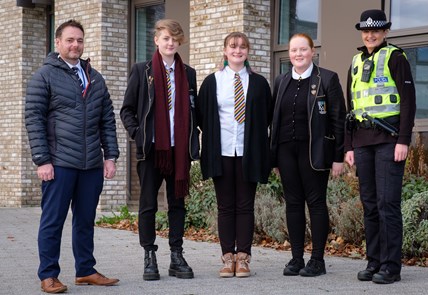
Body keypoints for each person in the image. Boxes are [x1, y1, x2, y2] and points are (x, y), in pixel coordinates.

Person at [25, 19, 120, 293]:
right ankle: (48, 275)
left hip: (90, 164)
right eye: (69, 40)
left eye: (79, 40)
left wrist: (110, 155)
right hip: (59, 163)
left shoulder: (95, 77)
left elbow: (107, 120)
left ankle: (86, 270)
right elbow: (34, 119)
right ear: (58, 43)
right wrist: (42, 160)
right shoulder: (44, 76)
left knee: (85, 220)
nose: (75, 44)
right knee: (53, 220)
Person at [120, 19, 199, 281]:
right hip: (152, 150)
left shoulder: (188, 73)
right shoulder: (141, 70)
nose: (170, 43)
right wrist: (139, 135)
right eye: (166, 38)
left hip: (179, 151)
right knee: (147, 204)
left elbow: (192, 112)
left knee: (177, 204)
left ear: (180, 43)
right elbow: (127, 110)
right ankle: (149, 255)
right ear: (156, 40)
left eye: (175, 39)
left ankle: (176, 255)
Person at [345, 9, 416, 284]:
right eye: (366, 30)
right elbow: (351, 108)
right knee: (370, 205)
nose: (370, 34)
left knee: (388, 204)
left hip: (389, 140)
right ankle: (374, 262)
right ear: (362, 32)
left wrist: (404, 140)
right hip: (362, 142)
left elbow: (408, 102)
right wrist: (348, 146)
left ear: (384, 32)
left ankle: (391, 267)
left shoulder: (396, 57)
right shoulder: (354, 61)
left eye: (376, 30)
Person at [196, 32, 272, 278]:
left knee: (245, 205)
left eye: (242, 47)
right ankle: (228, 257)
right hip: (222, 151)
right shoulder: (212, 82)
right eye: (233, 46)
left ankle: (244, 258)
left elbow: (267, 117)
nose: (238, 50)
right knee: (225, 206)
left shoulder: (259, 83)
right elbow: (201, 117)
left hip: (249, 152)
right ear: (225, 50)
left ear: (248, 51)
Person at [270, 33, 346, 277]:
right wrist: (274, 158)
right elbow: (274, 121)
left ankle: (317, 260)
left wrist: (337, 157)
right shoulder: (281, 81)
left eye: (303, 49)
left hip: (315, 151)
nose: (298, 54)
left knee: (315, 203)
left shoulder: (328, 79)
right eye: (294, 50)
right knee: (293, 204)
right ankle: (296, 258)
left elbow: (337, 119)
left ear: (312, 51)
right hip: (285, 151)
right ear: (289, 54)